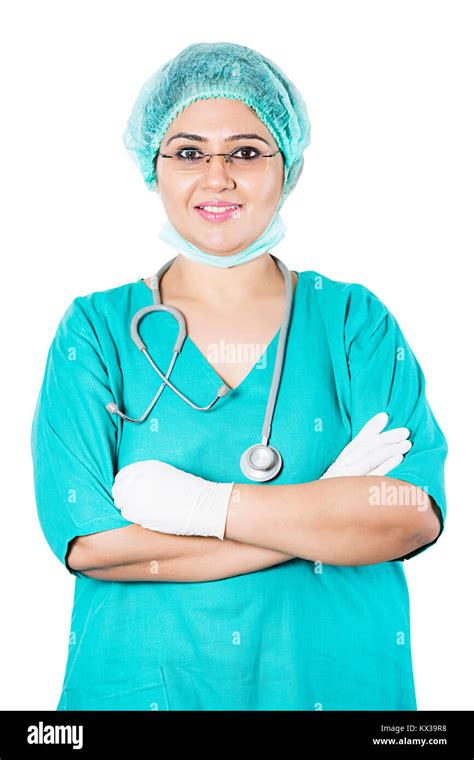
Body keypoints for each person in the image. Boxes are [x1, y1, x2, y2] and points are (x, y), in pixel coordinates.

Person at [30, 42, 448, 711]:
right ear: (152, 168)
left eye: (248, 152)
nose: (218, 176)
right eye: (189, 152)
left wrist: (205, 511)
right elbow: (92, 545)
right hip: (145, 692)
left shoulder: (352, 322)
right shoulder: (96, 330)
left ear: (289, 165)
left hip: (334, 689)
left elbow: (408, 518)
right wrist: (322, 512)